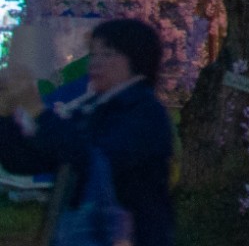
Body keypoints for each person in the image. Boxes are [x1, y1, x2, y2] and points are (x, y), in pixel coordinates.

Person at [0, 18, 176, 246]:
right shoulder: (90, 108)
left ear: (137, 59)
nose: (95, 63)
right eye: (93, 54)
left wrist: (38, 111)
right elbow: (27, 161)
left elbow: (90, 158)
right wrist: (6, 116)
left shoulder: (145, 113)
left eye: (108, 54)